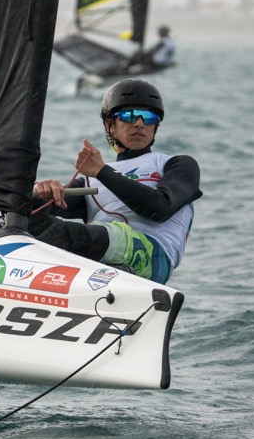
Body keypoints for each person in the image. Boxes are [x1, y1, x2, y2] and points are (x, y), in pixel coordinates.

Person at [29, 78, 200, 284]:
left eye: (148, 117)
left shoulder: (176, 164)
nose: (139, 123)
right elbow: (34, 210)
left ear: (155, 126)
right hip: (102, 256)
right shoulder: (90, 182)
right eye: (129, 116)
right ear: (110, 125)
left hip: (153, 257)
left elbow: (160, 208)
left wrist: (101, 171)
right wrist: (38, 191)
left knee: (61, 234)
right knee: (27, 224)